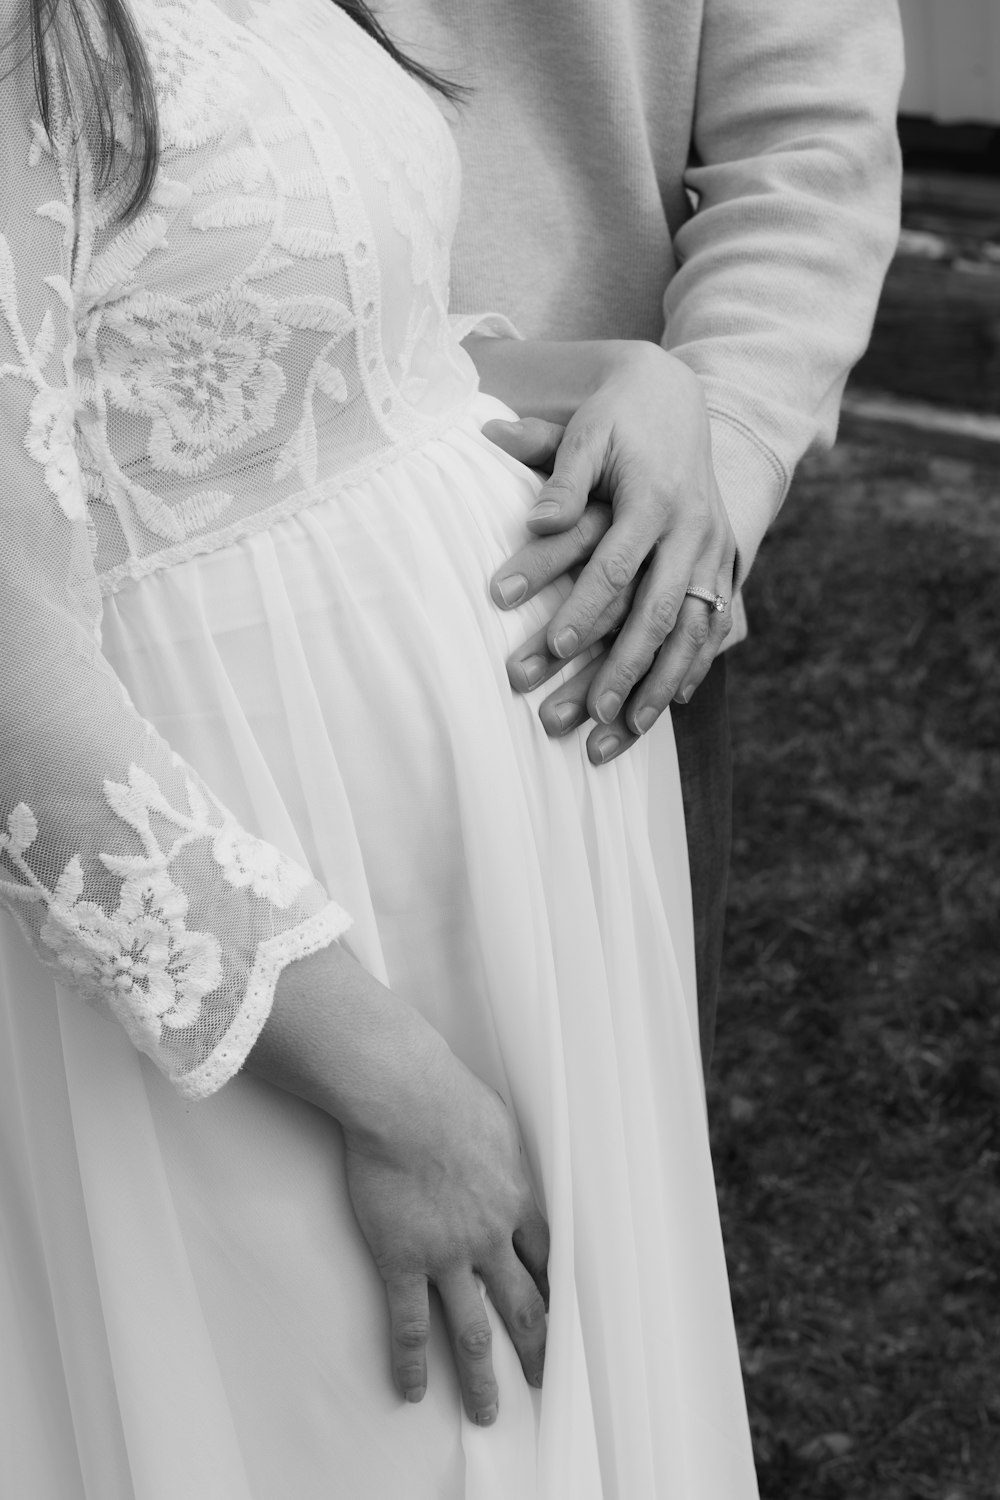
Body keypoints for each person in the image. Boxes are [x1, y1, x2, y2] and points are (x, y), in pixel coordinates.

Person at [0, 5, 896, 1500]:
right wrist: (387, 1087)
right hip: (281, 921)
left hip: (530, 831)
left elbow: (282, 332)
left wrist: (652, 384)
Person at [379, 0, 905, 1066]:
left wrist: (705, 464)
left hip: (595, 575)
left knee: (610, 1150)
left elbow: (805, 152)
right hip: (185, 568)